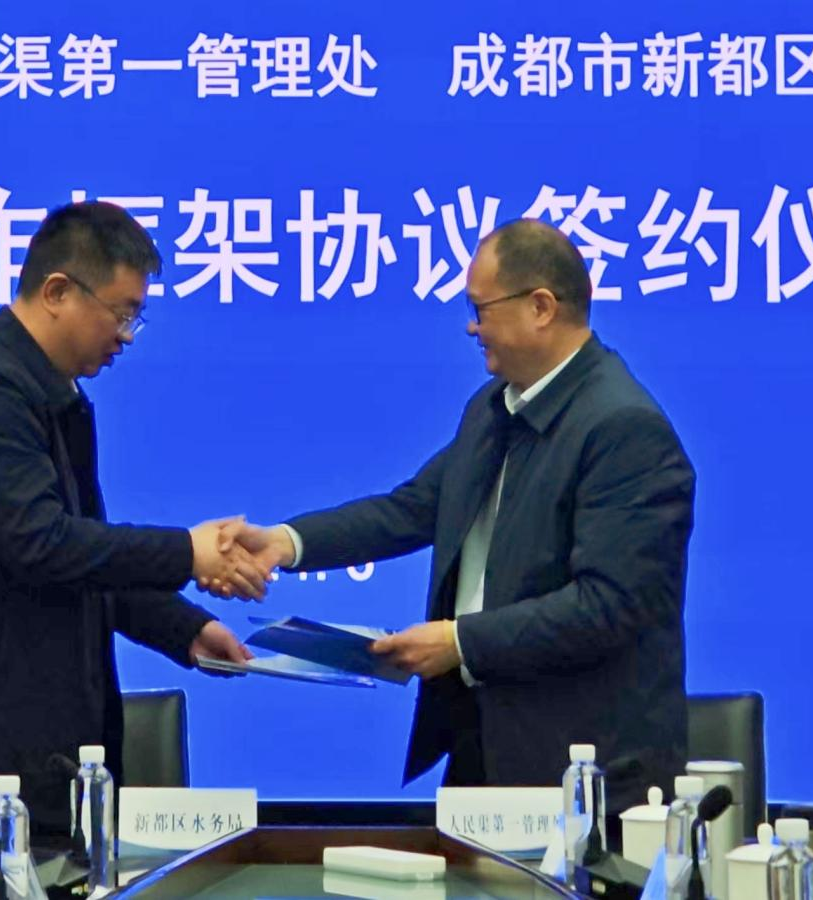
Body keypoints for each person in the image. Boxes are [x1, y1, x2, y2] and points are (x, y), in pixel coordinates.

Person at [216, 219, 695, 813]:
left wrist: (460, 641)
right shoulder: (494, 407)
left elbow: (606, 605)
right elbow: (414, 507)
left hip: (582, 770)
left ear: (541, 307)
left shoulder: (624, 428)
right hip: (483, 743)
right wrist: (285, 543)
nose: (472, 327)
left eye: (481, 309)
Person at [0, 201, 263, 834]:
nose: (127, 336)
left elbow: (82, 564)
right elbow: (44, 546)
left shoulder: (48, 392)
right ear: (57, 291)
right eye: (121, 313)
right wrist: (187, 553)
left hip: (8, 754)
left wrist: (185, 628)